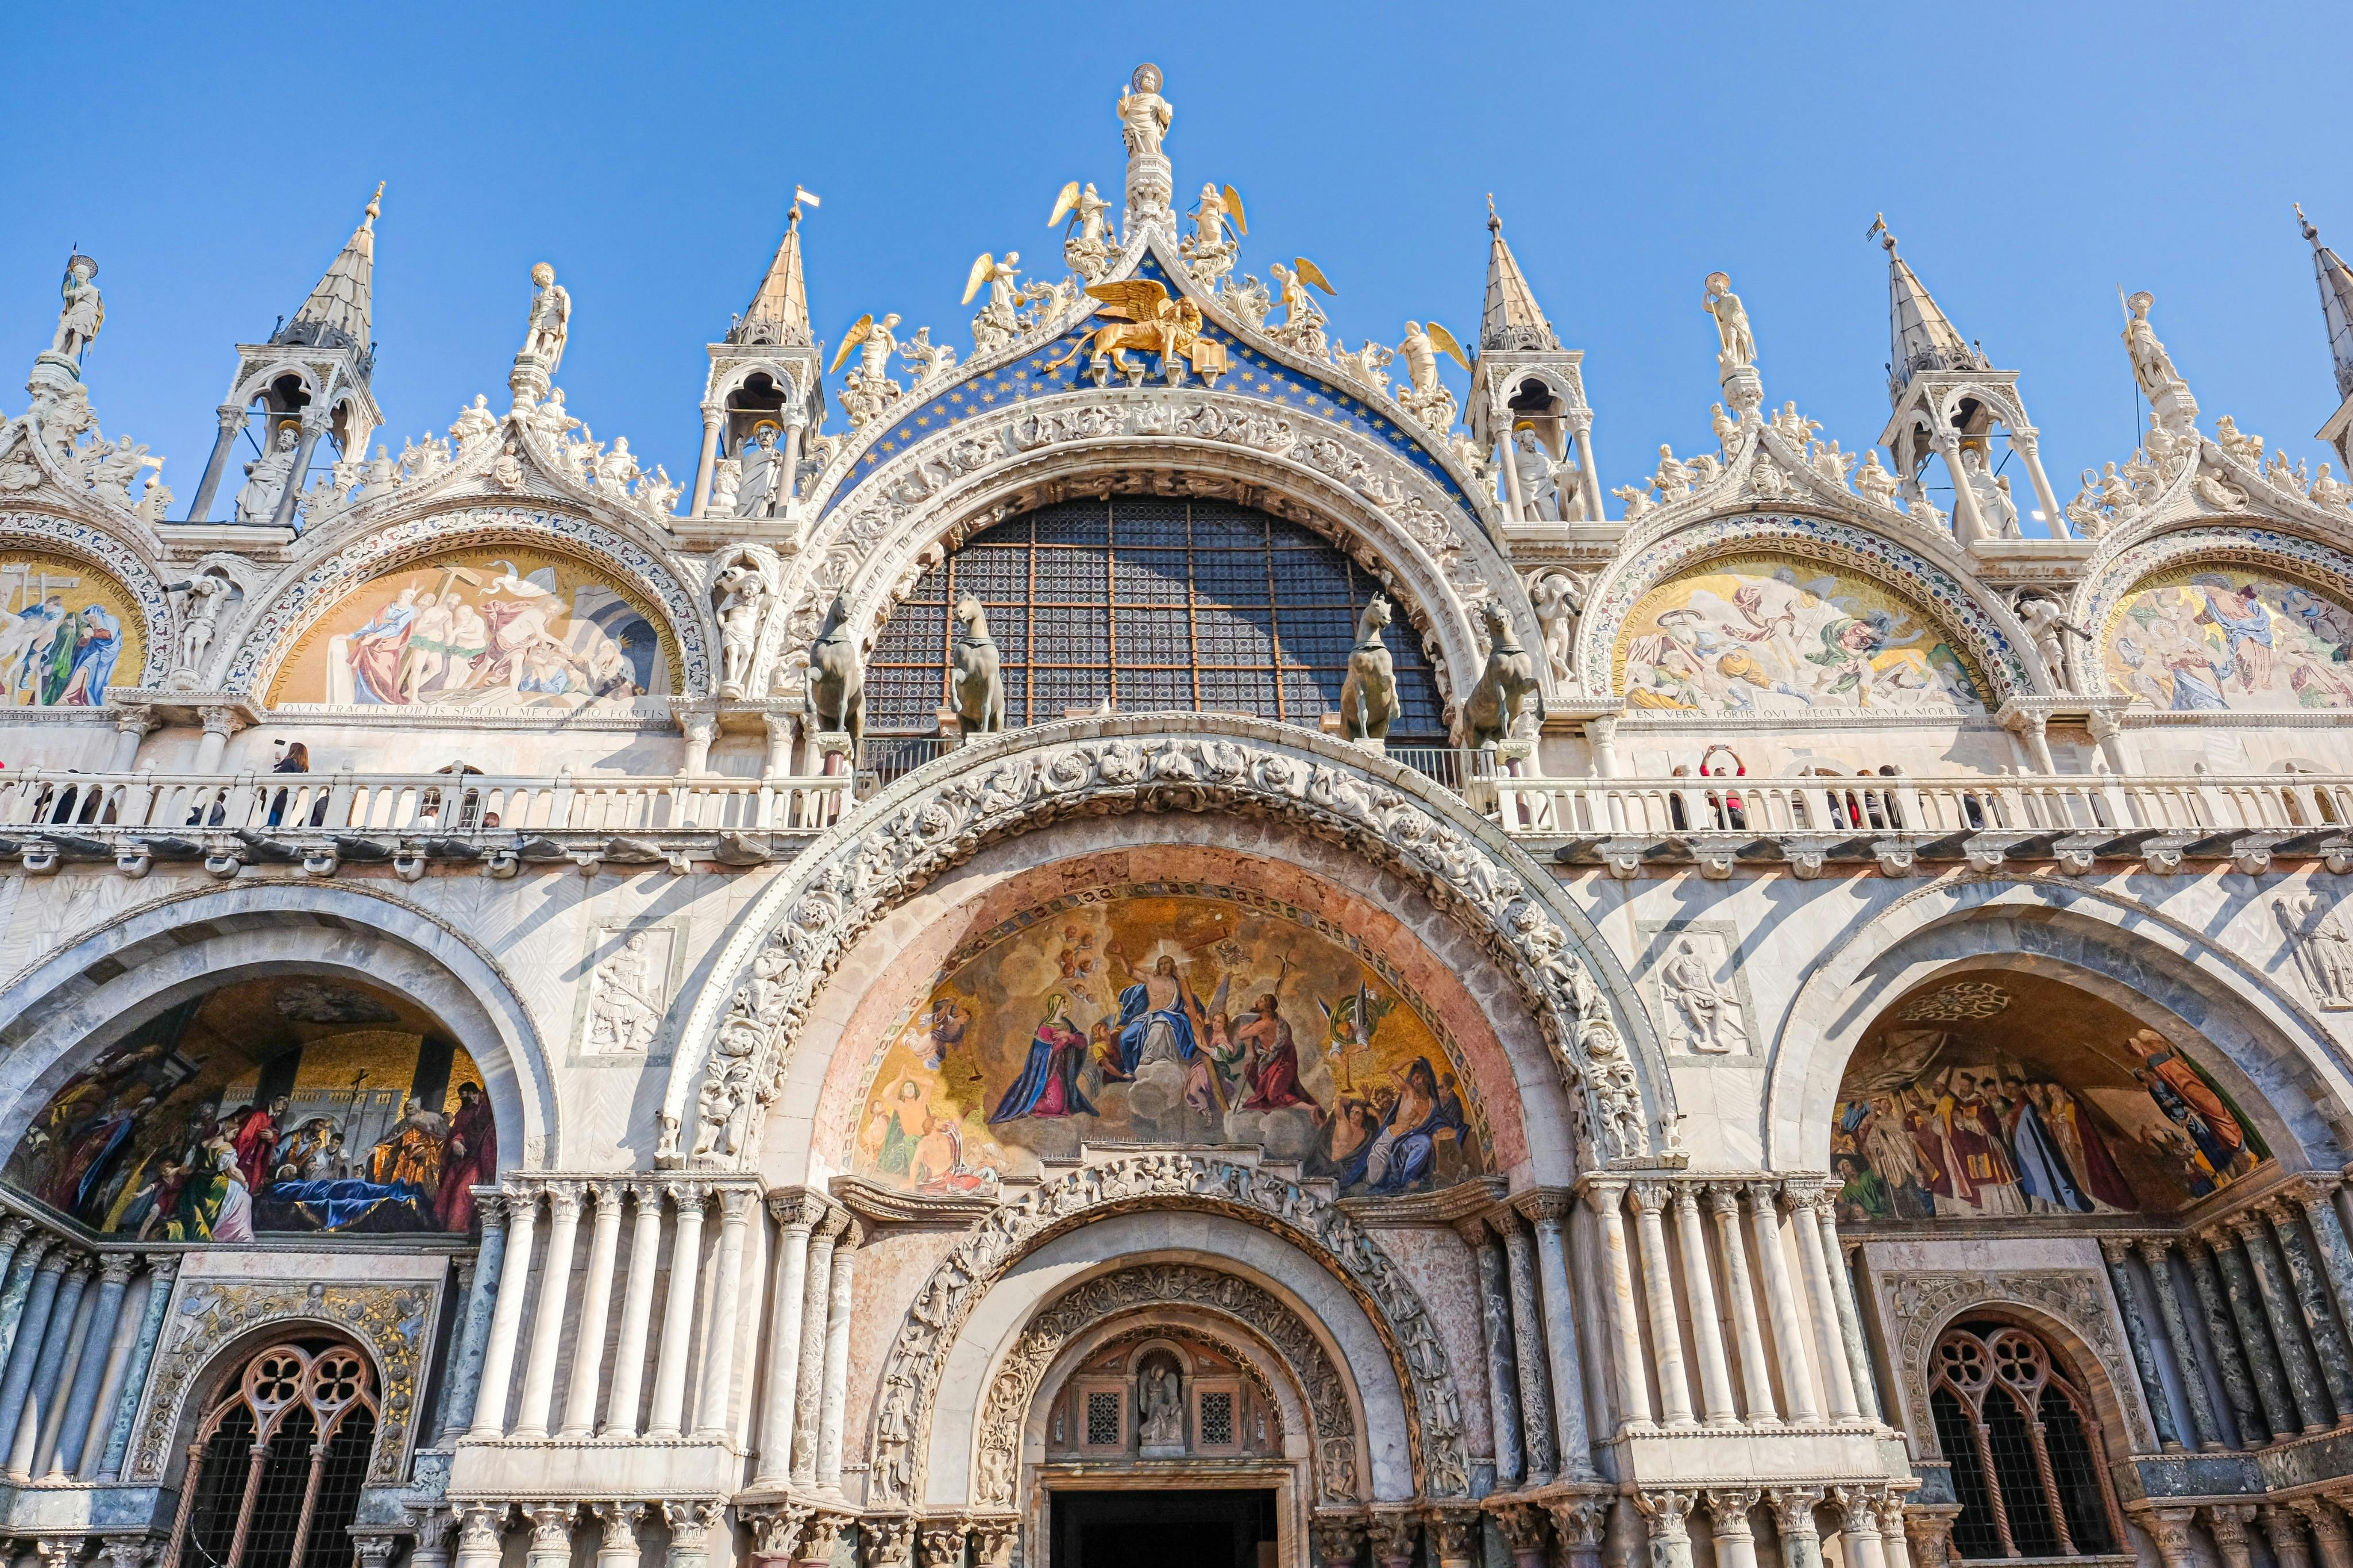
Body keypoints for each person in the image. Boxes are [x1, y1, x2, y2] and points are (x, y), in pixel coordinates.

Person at [988, 994, 1096, 1123]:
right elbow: (1043, 1053)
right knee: (1056, 1107)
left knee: (1066, 1104)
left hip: (1063, 1070)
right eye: (1064, 1003)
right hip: (1047, 1072)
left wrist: (1070, 1036)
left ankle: (1035, 1100)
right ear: (1055, 1006)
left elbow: (1082, 1043)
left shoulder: (1067, 1025)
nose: (1067, 1005)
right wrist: (1063, 1041)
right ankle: (1030, 1103)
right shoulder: (1044, 1028)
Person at [433, 1082, 497, 1231]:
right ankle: (447, 1228)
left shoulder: (488, 1107)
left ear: (474, 1093)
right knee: (448, 1187)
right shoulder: (465, 1111)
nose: (462, 1098)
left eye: (465, 1095)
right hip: (465, 1158)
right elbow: (460, 1129)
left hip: (483, 1159)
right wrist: (456, 1141)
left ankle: (459, 1228)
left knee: (464, 1189)